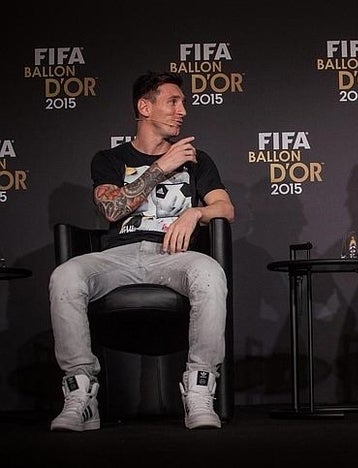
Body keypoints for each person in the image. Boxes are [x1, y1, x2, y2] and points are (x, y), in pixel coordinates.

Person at [48, 71, 235, 431]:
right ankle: (80, 393)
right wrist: (161, 167)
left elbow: (225, 209)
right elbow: (112, 210)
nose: (182, 111)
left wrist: (197, 211)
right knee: (65, 275)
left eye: (183, 103)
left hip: (173, 258)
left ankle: (198, 389)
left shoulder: (198, 159)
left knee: (210, 272)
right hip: (118, 256)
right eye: (173, 102)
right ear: (144, 107)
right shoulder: (110, 159)